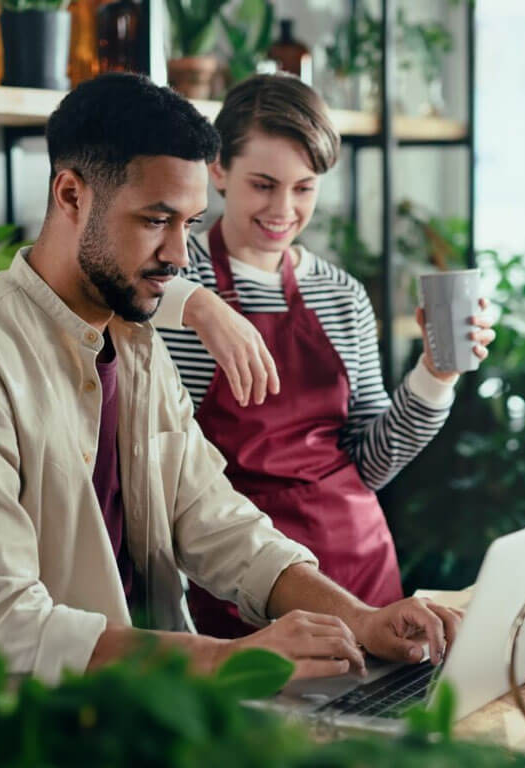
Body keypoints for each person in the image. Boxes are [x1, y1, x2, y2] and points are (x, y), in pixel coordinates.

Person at [0, 73, 463, 768]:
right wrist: (228, 658)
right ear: (70, 196)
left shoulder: (138, 348)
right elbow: (1, 625)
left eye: (189, 223)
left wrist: (360, 620)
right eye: (156, 220)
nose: (180, 256)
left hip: (144, 734)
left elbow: (221, 525)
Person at [152, 74, 495, 638]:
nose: (283, 209)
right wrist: (202, 307)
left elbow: (370, 464)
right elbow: (97, 291)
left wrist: (436, 374)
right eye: (263, 184)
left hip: (358, 566)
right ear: (217, 170)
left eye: (304, 188)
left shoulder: (341, 295)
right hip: (237, 575)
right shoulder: (172, 274)